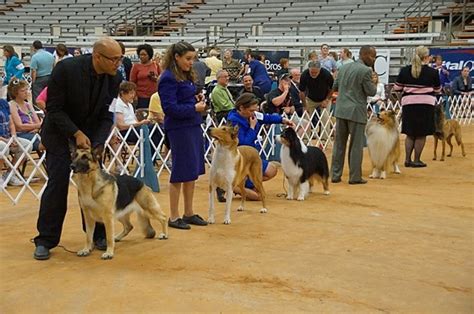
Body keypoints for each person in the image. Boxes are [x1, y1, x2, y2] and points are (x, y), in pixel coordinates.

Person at [33, 37, 123, 260]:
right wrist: (76, 133)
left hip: (91, 138)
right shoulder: (66, 69)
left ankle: (99, 236)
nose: (118, 64)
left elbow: (106, 113)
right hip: (59, 134)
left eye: (120, 59)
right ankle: (45, 240)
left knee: (97, 186)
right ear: (97, 56)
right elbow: (53, 109)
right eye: (114, 59)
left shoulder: (115, 77)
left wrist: (99, 142)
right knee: (58, 183)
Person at [158, 41, 208, 230]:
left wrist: (195, 99)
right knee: (180, 173)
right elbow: (169, 108)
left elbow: (182, 99)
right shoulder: (168, 78)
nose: (191, 62)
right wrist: (193, 107)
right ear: (176, 57)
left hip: (192, 125)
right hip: (179, 129)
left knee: (191, 172)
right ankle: (173, 216)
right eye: (188, 59)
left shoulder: (185, 75)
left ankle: (188, 212)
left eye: (193, 58)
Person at [227, 93, 295, 200]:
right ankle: (233, 187)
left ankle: (247, 184)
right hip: (240, 158)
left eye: (255, 110)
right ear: (241, 108)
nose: (253, 113)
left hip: (251, 156)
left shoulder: (252, 115)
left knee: (272, 170)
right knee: (258, 197)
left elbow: (266, 117)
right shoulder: (233, 121)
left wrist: (282, 120)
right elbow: (245, 143)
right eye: (251, 110)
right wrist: (252, 127)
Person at [331, 45, 377, 184]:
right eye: (372, 56)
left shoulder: (344, 67)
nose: (374, 59)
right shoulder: (365, 71)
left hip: (341, 110)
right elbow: (371, 91)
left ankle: (335, 175)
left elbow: (335, 87)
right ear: (365, 55)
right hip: (356, 111)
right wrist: (374, 83)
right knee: (356, 146)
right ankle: (354, 176)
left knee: (339, 144)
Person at [394, 46, 441, 168]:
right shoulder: (433, 72)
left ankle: (407, 159)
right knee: (421, 134)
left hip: (409, 104)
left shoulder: (405, 70)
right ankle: (417, 160)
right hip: (426, 105)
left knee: (410, 133)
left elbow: (397, 88)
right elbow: (437, 89)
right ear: (426, 57)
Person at [109, 81, 160, 172]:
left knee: (156, 130)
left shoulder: (130, 105)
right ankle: (146, 161)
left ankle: (149, 161)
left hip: (135, 129)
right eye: (131, 93)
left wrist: (143, 123)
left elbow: (135, 121)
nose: (133, 95)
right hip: (125, 132)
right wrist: (140, 124)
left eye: (134, 93)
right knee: (148, 130)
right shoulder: (118, 104)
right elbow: (121, 126)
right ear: (123, 93)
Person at [0, 98, 33, 187]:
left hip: (8, 137)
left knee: (27, 144)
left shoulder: (3, 102)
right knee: (3, 147)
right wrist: (6, 141)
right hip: (2, 140)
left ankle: (10, 174)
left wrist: (13, 138)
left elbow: (11, 124)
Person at [299, 60, 334, 141]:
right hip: (310, 99)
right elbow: (301, 92)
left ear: (320, 70)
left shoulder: (326, 74)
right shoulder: (304, 75)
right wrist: (304, 106)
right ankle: (305, 137)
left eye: (316, 72)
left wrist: (327, 99)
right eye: (312, 72)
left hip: (325, 98)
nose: (313, 74)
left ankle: (324, 138)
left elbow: (332, 88)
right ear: (309, 69)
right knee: (306, 117)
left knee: (325, 117)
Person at [7, 79, 42, 152]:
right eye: (23, 91)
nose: (27, 92)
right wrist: (37, 126)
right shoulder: (12, 105)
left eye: (27, 89)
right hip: (20, 135)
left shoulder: (27, 104)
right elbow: (19, 127)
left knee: (52, 139)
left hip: (32, 133)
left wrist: (30, 104)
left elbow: (37, 122)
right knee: (48, 143)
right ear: (15, 93)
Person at [130, 44, 159, 109]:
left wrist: (155, 79)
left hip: (154, 96)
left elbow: (161, 78)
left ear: (149, 55)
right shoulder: (136, 66)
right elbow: (132, 82)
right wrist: (134, 95)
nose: (142, 56)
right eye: (140, 55)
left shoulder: (156, 65)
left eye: (144, 55)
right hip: (141, 97)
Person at [30, 40, 54, 106]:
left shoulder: (35, 57)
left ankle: (38, 110)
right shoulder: (50, 55)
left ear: (34, 47)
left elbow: (34, 70)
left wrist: (33, 82)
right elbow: (53, 66)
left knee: (37, 97)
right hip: (50, 77)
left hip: (39, 78)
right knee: (48, 95)